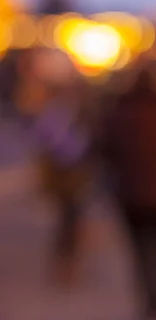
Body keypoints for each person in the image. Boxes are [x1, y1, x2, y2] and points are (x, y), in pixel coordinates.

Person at [101, 69, 156, 320]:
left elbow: (105, 151)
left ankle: (149, 299)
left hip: (129, 194)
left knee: (139, 250)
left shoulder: (117, 114)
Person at [32, 85, 91, 285]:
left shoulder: (68, 112)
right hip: (67, 175)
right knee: (68, 220)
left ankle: (66, 262)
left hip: (70, 176)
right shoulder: (61, 114)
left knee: (69, 219)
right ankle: (66, 264)